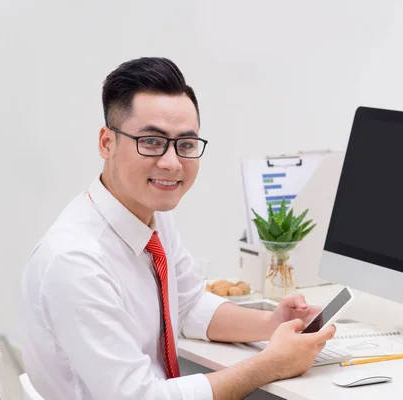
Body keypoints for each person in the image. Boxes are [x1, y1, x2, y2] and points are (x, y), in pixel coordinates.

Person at [20, 57, 335, 400]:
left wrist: (269, 325)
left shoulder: (150, 213)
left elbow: (186, 304)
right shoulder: (76, 262)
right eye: (152, 142)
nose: (171, 163)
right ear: (106, 143)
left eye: (185, 145)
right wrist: (269, 365)